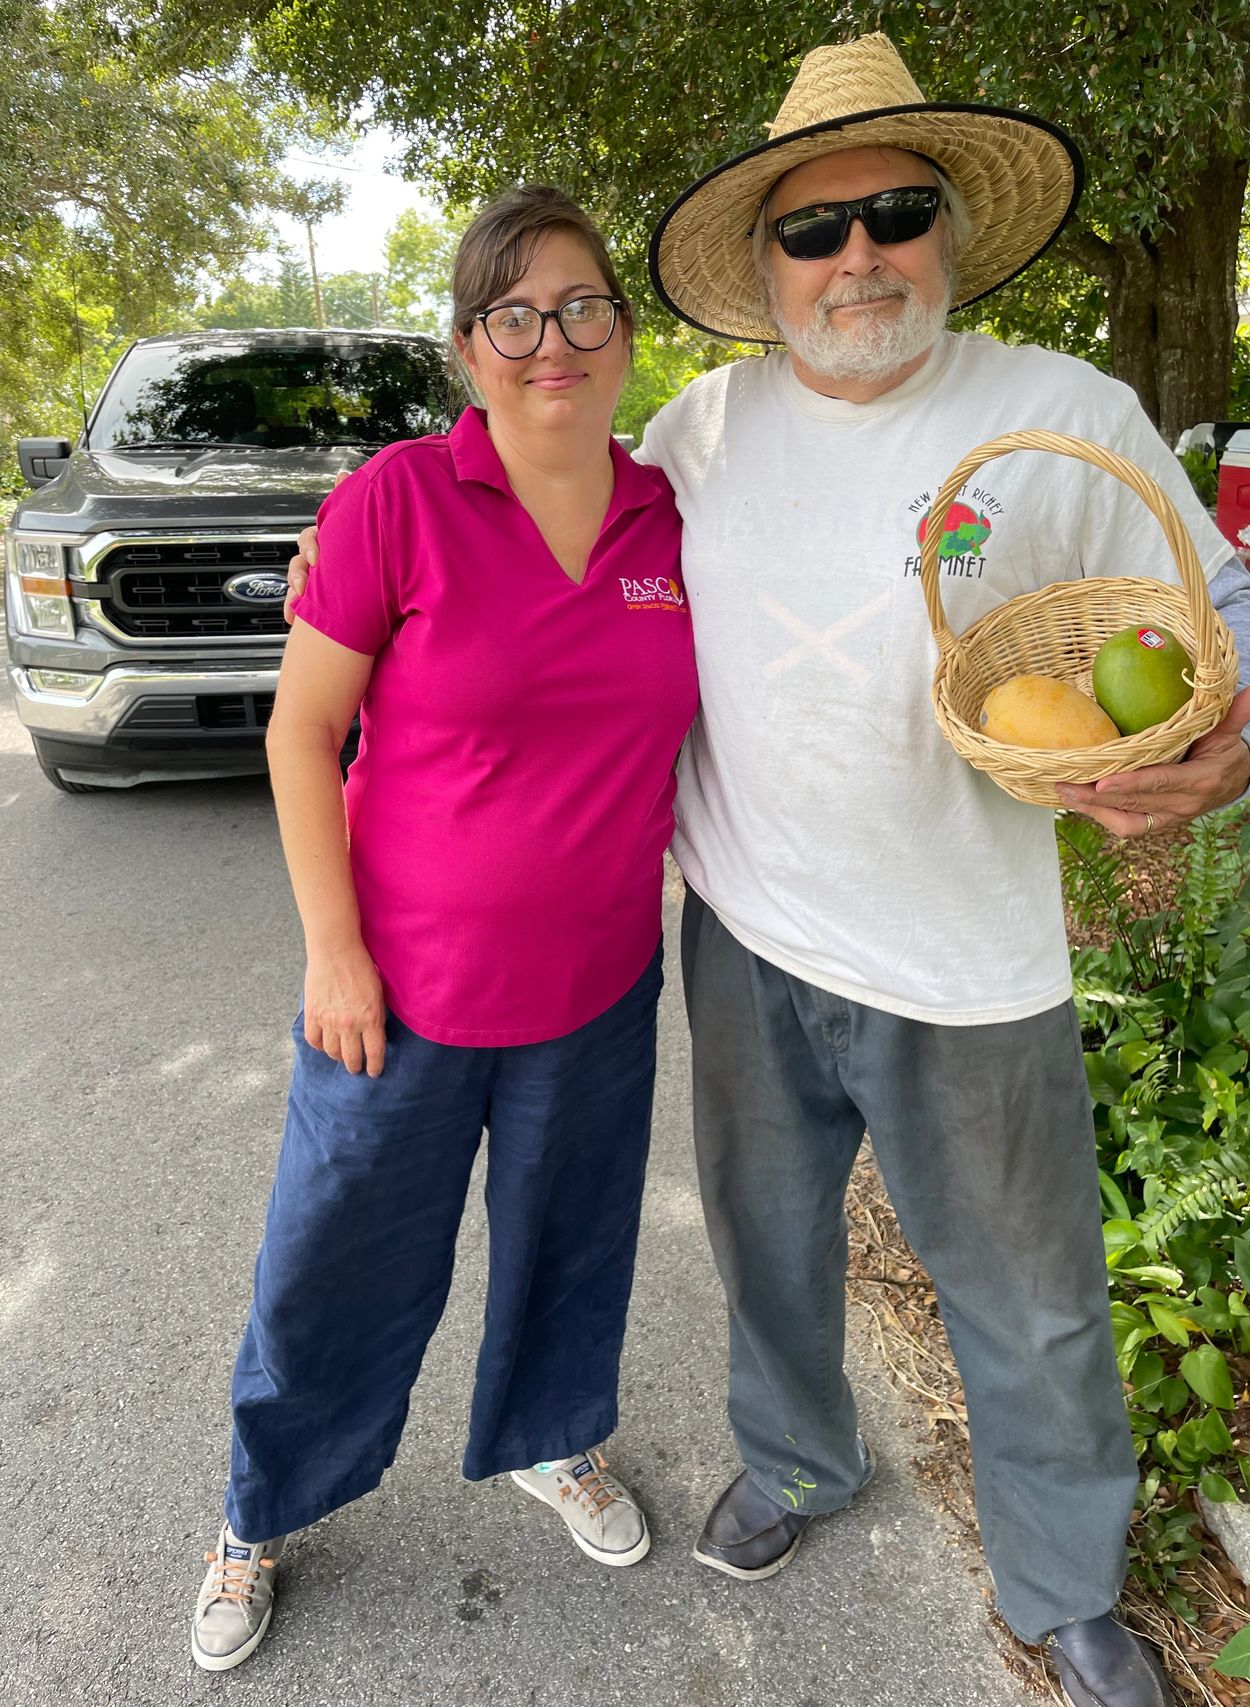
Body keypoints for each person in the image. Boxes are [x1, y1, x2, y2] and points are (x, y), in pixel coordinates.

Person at [287, 37, 1250, 1707]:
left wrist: (1232, 754)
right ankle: (801, 1461)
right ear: (766, 267)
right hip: (744, 934)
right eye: (815, 231)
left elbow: (1234, 623)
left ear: (952, 231)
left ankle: (1063, 1582)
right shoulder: (696, 427)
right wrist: (358, 565)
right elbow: (543, 554)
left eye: (895, 213)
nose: (858, 256)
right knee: (766, 1245)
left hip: (970, 962)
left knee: (1028, 1299)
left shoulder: (1064, 415)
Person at [190, 186, 698, 1673]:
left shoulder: (674, 516)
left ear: (622, 330)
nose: (556, 340)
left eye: (584, 306)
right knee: (333, 1261)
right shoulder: (396, 500)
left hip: (598, 984)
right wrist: (332, 952)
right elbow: (301, 738)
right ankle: (255, 1513)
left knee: (573, 1244)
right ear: (472, 348)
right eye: (516, 315)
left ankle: (556, 1440)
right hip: (395, 993)